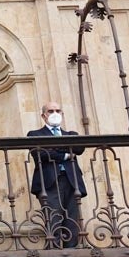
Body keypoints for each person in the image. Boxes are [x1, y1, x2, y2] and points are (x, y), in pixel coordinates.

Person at [28, 101, 87, 249]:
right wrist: (67, 154)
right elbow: (40, 154)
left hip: (71, 181)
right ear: (43, 115)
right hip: (49, 183)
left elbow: (79, 148)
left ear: (62, 114)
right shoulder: (35, 134)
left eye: (57, 110)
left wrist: (53, 147)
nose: (54, 114)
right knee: (53, 220)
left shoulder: (71, 134)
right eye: (50, 111)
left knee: (72, 222)